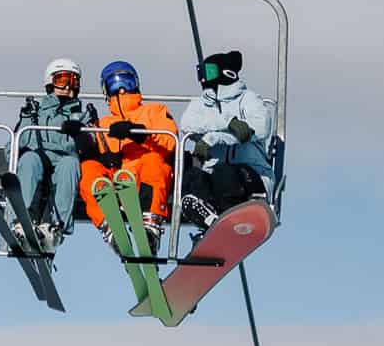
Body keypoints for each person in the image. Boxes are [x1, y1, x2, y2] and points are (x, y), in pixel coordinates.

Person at [80, 60, 178, 243]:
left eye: (126, 82)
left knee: (153, 160)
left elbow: (169, 141)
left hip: (143, 176)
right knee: (89, 168)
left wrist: (139, 133)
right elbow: (93, 152)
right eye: (114, 84)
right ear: (106, 91)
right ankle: (109, 224)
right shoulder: (102, 124)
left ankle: (150, 224)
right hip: (116, 178)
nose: (122, 89)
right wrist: (81, 138)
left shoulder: (155, 111)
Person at [178, 49, 274, 228]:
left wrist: (215, 137)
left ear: (225, 73)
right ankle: (209, 218)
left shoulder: (248, 100)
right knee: (194, 176)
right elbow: (187, 123)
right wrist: (227, 122)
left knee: (225, 171)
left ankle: (231, 217)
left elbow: (260, 128)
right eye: (201, 73)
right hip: (214, 175)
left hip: (250, 174)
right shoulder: (202, 103)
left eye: (208, 72)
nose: (203, 79)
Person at [14, 57, 101, 241]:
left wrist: (80, 134)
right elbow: (11, 151)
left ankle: (57, 227)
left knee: (70, 164)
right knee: (29, 160)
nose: (68, 86)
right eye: (62, 79)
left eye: (74, 80)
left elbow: (94, 147)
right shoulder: (34, 112)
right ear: (50, 82)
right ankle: (23, 218)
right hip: (38, 160)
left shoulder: (83, 116)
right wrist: (25, 123)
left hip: (63, 163)